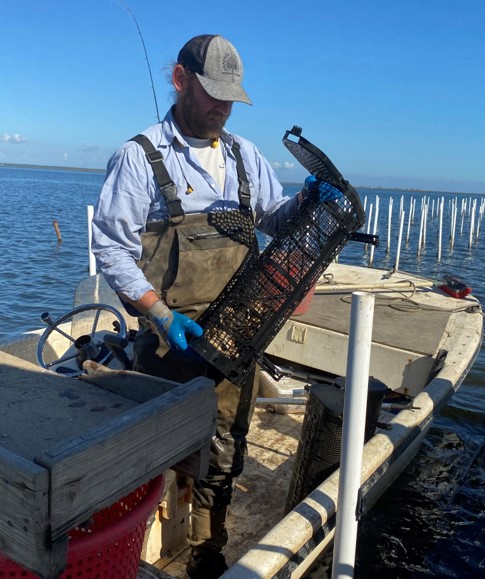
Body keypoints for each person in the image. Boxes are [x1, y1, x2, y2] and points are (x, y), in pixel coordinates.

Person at [90, 34, 339, 579]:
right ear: (179, 80)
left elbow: (273, 218)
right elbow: (111, 245)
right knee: (158, 442)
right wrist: (157, 312)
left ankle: (208, 547)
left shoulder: (245, 155)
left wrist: (306, 200)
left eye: (230, 98)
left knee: (227, 442)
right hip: (167, 336)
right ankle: (140, 537)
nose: (220, 107)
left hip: (236, 335)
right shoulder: (140, 156)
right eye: (210, 93)